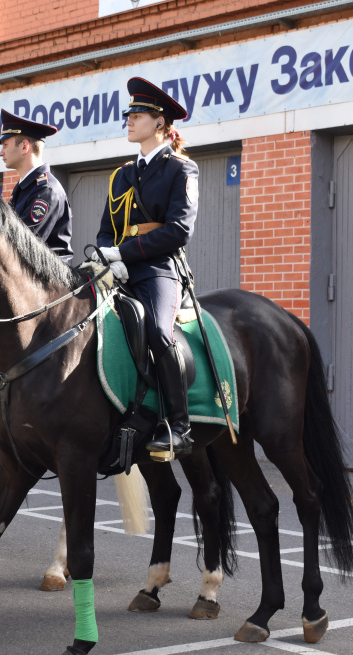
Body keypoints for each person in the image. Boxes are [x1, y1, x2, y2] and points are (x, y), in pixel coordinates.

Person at [94, 77, 198, 459]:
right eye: (128, 115)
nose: (128, 120)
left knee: (158, 330)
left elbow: (178, 231)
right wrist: (107, 258)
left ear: (159, 123)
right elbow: (107, 229)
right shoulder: (121, 175)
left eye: (136, 115)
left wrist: (124, 254)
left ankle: (180, 427)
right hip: (117, 270)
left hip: (158, 269)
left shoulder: (181, 170)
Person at [0, 109, 73, 263]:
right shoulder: (26, 187)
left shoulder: (46, 191)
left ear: (25, 146)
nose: (1, 152)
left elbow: (21, 246)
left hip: (48, 283)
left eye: (5, 144)